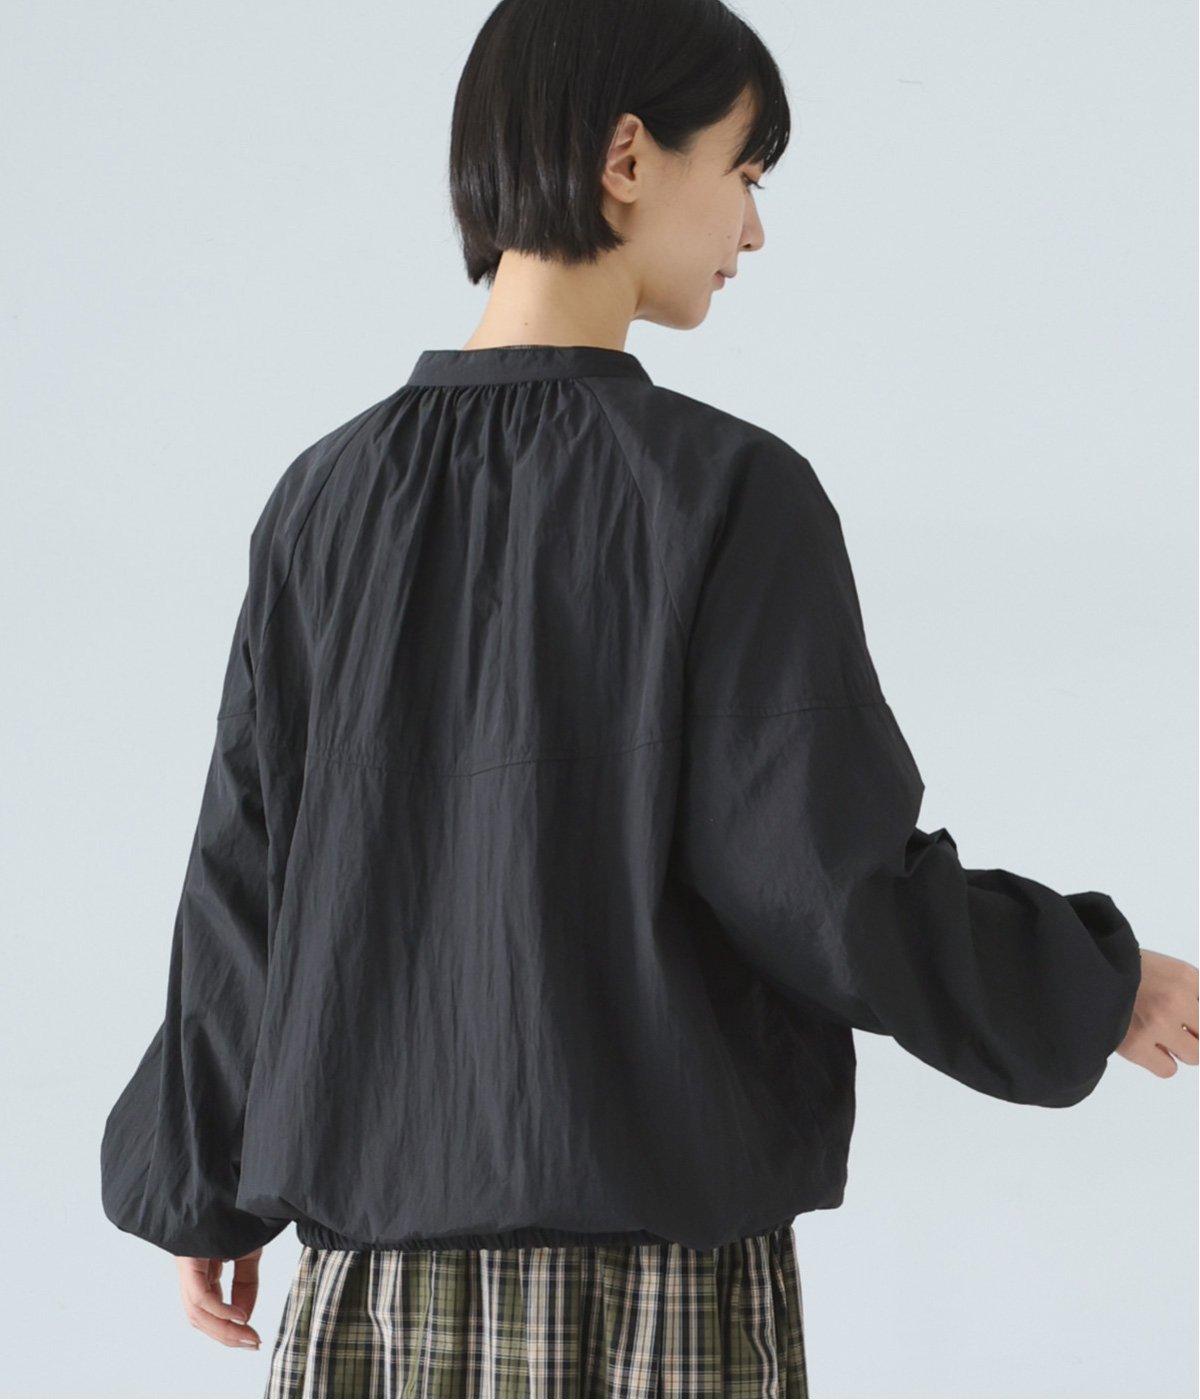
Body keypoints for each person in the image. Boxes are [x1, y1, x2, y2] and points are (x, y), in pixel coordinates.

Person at [100, 1, 1199, 1397]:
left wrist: (203, 1183)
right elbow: (828, 882)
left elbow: (246, 879)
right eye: (745, 171)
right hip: (642, 1301)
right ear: (627, 156)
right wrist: (1092, 984)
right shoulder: (725, 493)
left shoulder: (323, 500)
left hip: (366, 1297)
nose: (754, 231)